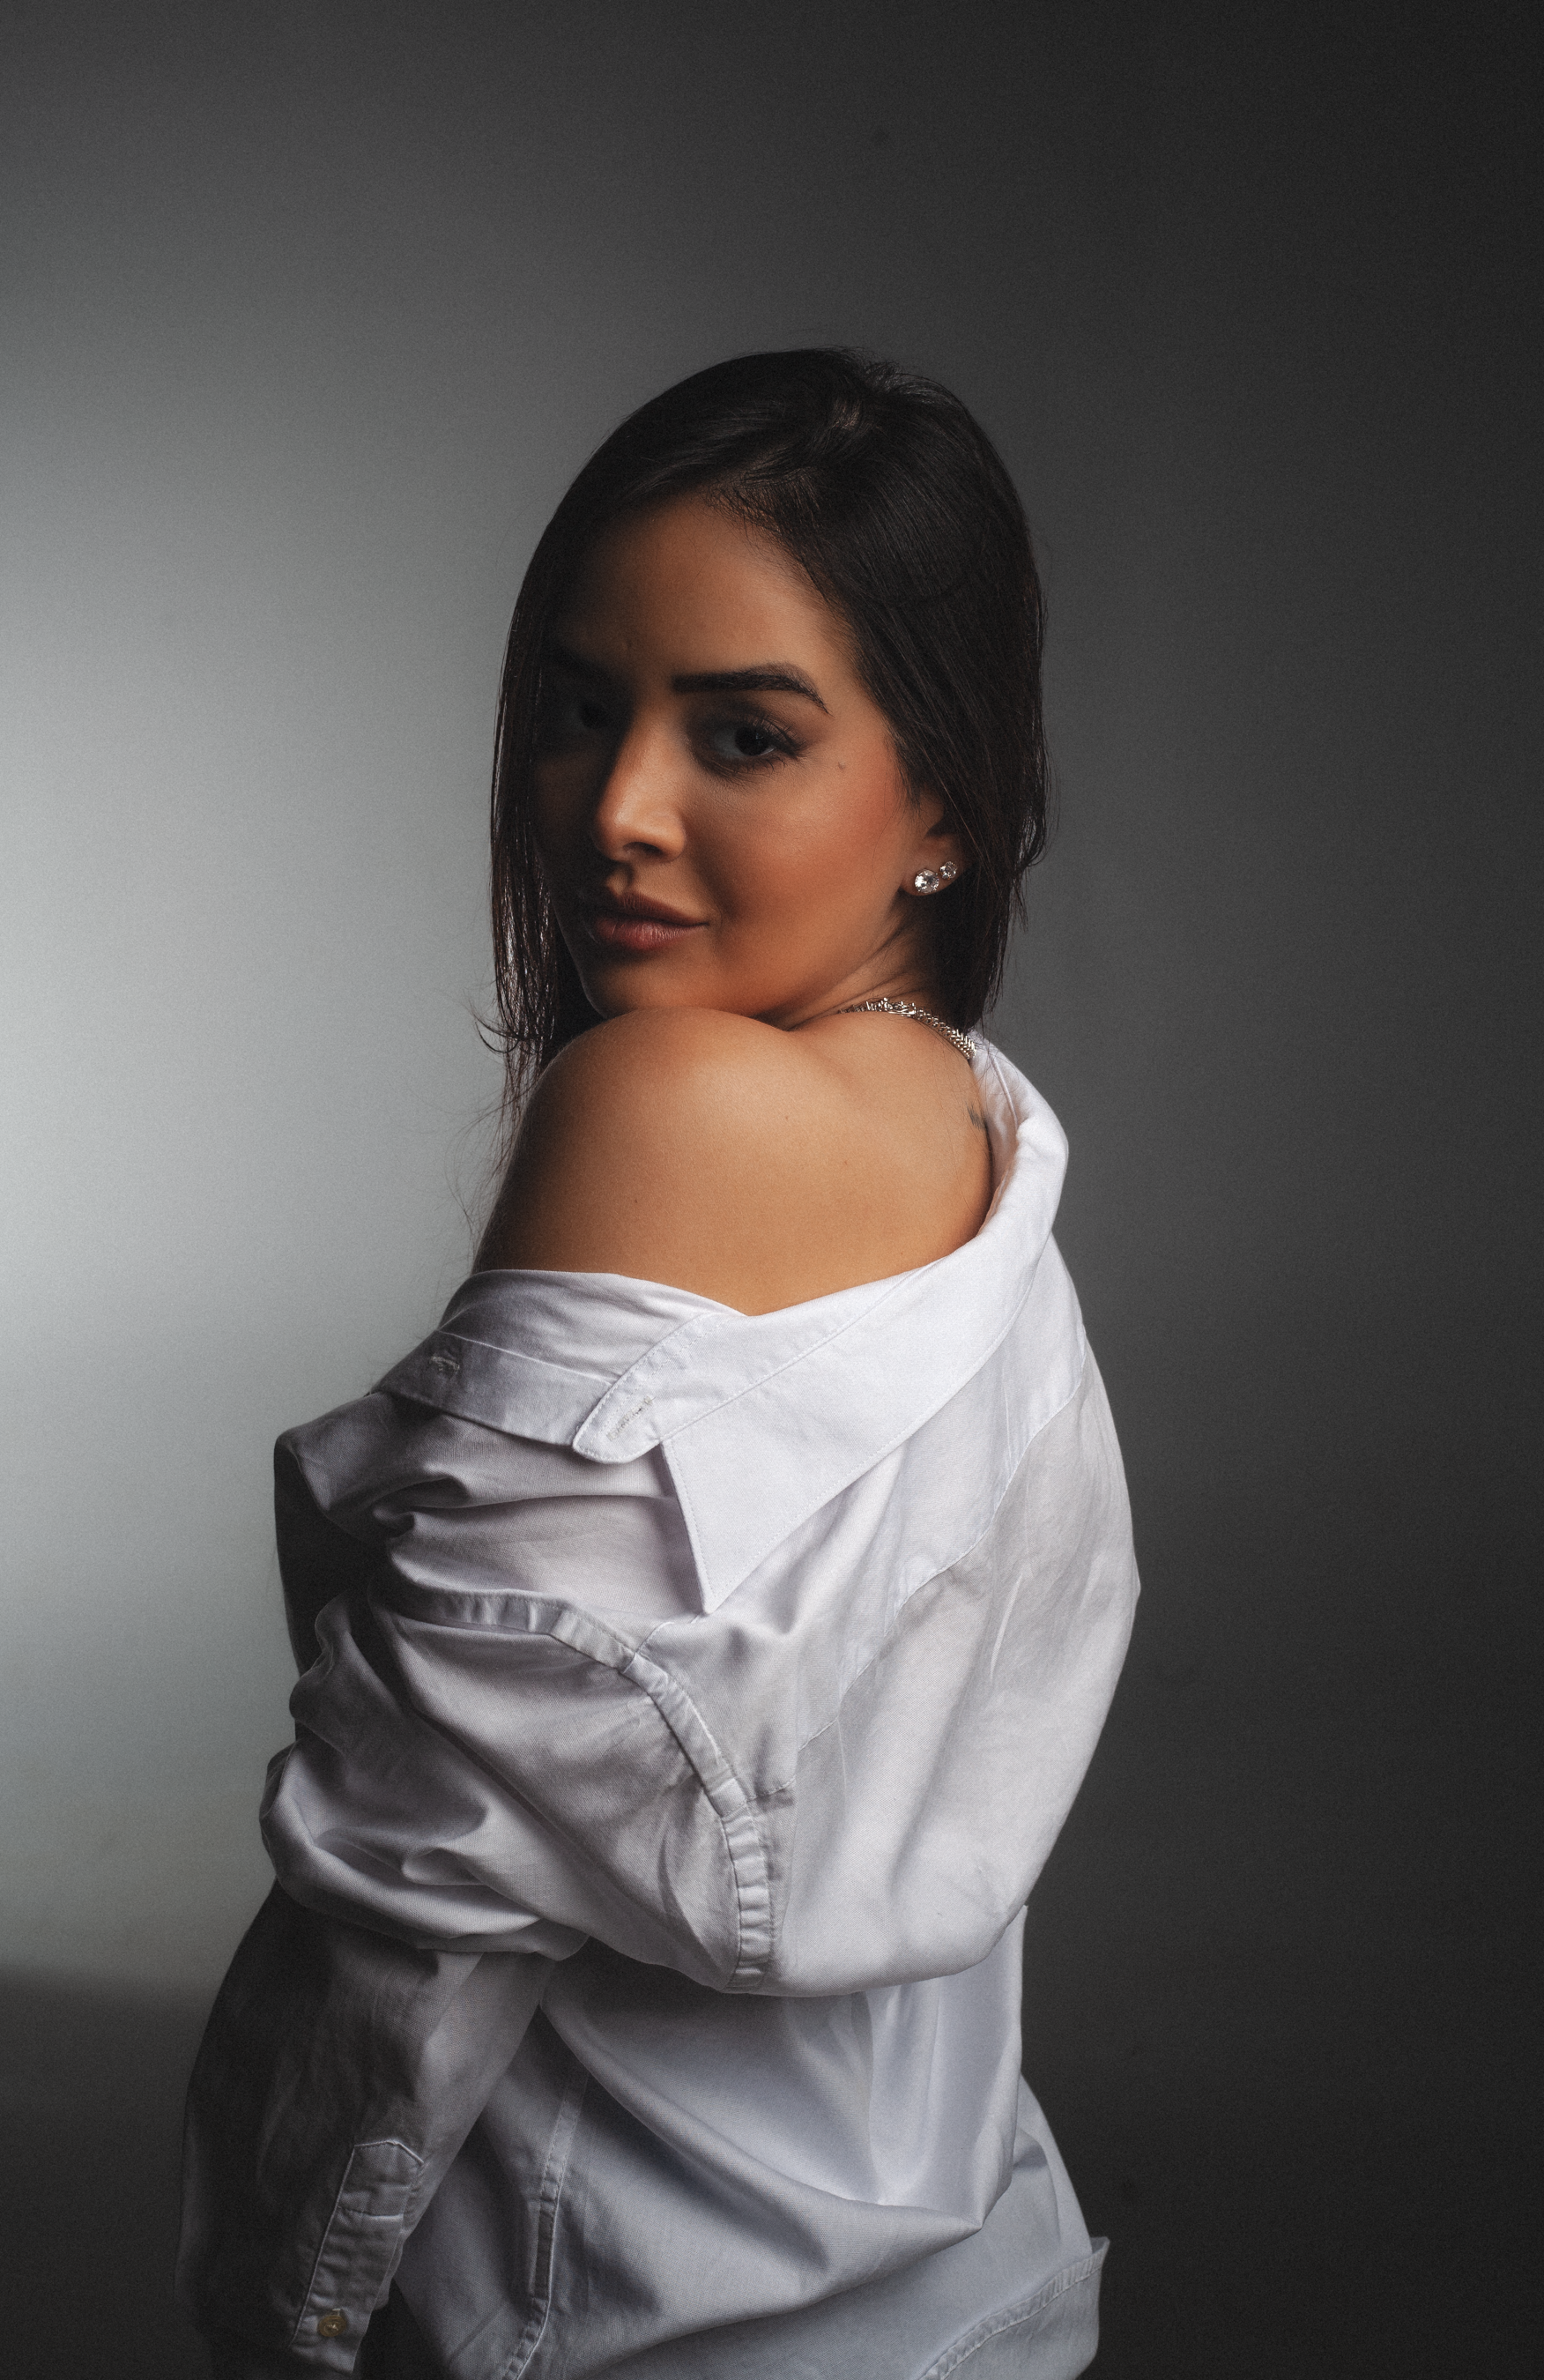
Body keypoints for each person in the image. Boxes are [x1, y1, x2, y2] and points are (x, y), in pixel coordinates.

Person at [177, 348, 1139, 2380]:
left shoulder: (671, 1104)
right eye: (576, 711)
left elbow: (411, 1890)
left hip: (615, 2311)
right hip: (953, 2271)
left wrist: (289, 2304)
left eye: (744, 736)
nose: (616, 811)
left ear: (946, 796)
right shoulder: (975, 1138)